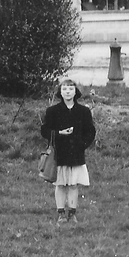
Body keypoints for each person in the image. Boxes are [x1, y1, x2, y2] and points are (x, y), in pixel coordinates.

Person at [40, 78, 97, 224]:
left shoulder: (83, 111)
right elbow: (45, 130)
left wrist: (82, 144)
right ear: (60, 92)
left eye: (70, 89)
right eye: (64, 89)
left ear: (75, 92)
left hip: (76, 154)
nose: (67, 92)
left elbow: (90, 131)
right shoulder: (52, 111)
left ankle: (72, 213)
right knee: (60, 184)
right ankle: (61, 214)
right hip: (59, 154)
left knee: (73, 184)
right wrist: (59, 133)